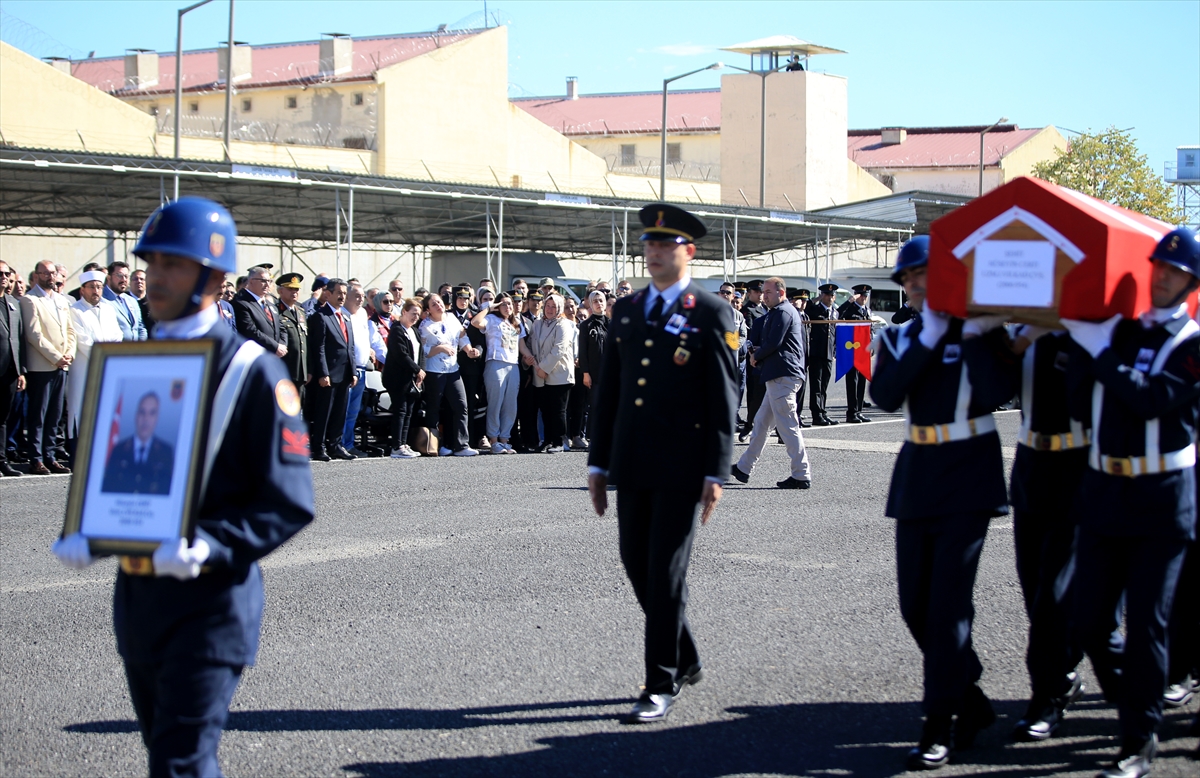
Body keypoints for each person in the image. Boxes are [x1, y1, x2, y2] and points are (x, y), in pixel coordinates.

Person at [51, 196, 314, 777]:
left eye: (173, 264)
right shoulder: (140, 360)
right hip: (140, 602)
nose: (154, 277)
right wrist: (92, 532)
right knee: (168, 756)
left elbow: (290, 501)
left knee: (180, 762)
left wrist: (208, 546)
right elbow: (131, 475)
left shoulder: (252, 370)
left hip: (210, 605)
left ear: (214, 277)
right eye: (152, 263)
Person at [587, 203, 738, 724]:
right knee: (636, 566)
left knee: (666, 574)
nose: (653, 253)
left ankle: (660, 680)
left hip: (683, 465)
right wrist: (597, 464)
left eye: (665, 245)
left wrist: (718, 471)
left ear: (688, 252)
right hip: (632, 462)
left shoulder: (712, 311)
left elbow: (724, 398)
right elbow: (610, 393)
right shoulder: (627, 310)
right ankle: (687, 655)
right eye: (649, 245)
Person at [870, 235, 1017, 770]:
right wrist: (931, 337)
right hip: (917, 475)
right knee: (916, 608)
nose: (916, 285)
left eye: (926, 275)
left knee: (949, 609)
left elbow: (998, 389)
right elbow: (884, 396)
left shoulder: (981, 331)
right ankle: (970, 700)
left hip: (969, 476)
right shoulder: (900, 337)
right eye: (908, 279)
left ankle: (938, 727)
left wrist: (970, 331)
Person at [1060, 226, 1200, 778]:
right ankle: (1136, 705)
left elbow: (1150, 401)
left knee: (1147, 625)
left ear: (1190, 283)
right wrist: (1078, 351)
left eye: (1174, 272)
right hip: (1105, 489)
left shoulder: (1191, 344)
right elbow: (1079, 397)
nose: (1161, 276)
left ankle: (1137, 739)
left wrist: (1100, 357)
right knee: (1090, 621)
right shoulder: (1120, 332)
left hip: (1162, 495)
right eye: (1157, 268)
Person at [1002, 317, 1092, 743]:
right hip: (1030, 466)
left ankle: (1047, 694)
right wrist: (1017, 344)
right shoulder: (1024, 333)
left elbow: (1086, 401)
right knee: (1033, 585)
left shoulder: (1090, 333)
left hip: (1076, 468)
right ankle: (1065, 668)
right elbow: (997, 390)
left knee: (1054, 593)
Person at [729, 277, 812, 489]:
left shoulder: (783, 312)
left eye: (768, 292)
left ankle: (801, 474)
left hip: (783, 375)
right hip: (777, 375)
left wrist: (756, 356)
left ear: (781, 293)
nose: (764, 295)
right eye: (763, 292)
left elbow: (774, 343)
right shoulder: (776, 312)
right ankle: (743, 467)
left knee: (788, 425)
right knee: (761, 423)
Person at [20, 260, 76, 475]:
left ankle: (50, 456)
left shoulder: (61, 300)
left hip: (62, 365)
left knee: (54, 415)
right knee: (39, 415)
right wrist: (56, 357)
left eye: (52, 273)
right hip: (42, 366)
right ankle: (36, 458)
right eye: (45, 273)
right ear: (36, 276)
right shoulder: (29, 300)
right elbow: (34, 335)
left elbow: (70, 331)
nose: (50, 277)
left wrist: (68, 353)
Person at [419, 292, 479, 456]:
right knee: (435, 408)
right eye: (433, 304)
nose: (438, 306)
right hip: (434, 372)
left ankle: (462, 445)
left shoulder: (452, 318)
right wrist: (440, 348)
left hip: (453, 370)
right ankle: (435, 445)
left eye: (439, 302)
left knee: (461, 405)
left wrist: (469, 350)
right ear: (428, 310)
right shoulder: (425, 326)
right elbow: (422, 351)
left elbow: (462, 337)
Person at [67, 269, 123, 445]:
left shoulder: (108, 309)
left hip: (107, 369)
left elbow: (117, 335)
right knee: (82, 412)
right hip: (84, 369)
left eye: (99, 287)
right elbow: (83, 341)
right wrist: (105, 355)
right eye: (92, 287)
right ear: (82, 290)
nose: (96, 291)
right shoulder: (74, 311)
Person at [306, 278, 358, 462]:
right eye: (339, 293)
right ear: (328, 293)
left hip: (344, 373)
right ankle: (318, 446)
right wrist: (323, 373)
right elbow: (318, 348)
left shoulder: (344, 316)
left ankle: (335, 445)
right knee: (324, 413)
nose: (342, 296)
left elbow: (349, 346)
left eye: (344, 293)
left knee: (340, 412)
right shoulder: (320, 316)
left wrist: (353, 371)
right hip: (329, 374)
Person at [471, 292, 525, 454]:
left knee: (510, 405)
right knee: (496, 403)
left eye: (510, 304)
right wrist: (490, 307)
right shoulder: (492, 320)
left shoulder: (516, 323)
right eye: (504, 304)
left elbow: (522, 346)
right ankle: (493, 439)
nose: (508, 307)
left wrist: (530, 358)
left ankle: (504, 439)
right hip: (495, 363)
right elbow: (475, 322)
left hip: (513, 365)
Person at [523, 292, 575, 453]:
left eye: (554, 306)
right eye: (548, 305)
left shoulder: (563, 324)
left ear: (559, 308)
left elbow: (559, 349)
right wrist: (531, 362)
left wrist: (543, 368)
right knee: (545, 409)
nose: (550, 309)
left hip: (559, 373)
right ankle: (547, 440)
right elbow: (531, 344)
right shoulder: (537, 323)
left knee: (558, 410)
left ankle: (559, 441)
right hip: (540, 373)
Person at [341, 284, 387, 457]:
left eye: (362, 296)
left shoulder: (361, 314)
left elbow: (366, 338)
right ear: (346, 297)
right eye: (356, 295)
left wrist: (369, 349)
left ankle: (348, 443)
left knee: (353, 412)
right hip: (347, 370)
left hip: (361, 368)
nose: (360, 299)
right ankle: (337, 444)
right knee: (342, 411)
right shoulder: (342, 314)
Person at [101, 391, 176, 495]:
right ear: (136, 415)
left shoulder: (165, 452)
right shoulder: (119, 450)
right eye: (142, 412)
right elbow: (107, 489)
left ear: (157, 418)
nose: (146, 419)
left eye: (152, 413)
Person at [382, 298, 425, 458]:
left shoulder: (415, 331)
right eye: (413, 313)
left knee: (409, 412)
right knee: (400, 410)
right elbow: (401, 354)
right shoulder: (397, 330)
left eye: (418, 314)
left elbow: (421, 354)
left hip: (412, 379)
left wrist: (421, 372)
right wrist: (417, 369)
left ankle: (404, 443)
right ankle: (396, 446)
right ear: (404, 312)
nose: (415, 317)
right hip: (398, 378)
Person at [452, 286, 488, 450]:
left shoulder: (474, 315)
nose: (463, 301)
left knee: (470, 404)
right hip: (450, 365)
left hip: (471, 366)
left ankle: (470, 439)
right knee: (453, 404)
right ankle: (451, 439)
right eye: (460, 298)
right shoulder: (448, 315)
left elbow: (481, 340)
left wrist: (478, 351)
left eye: (466, 298)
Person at [0, 259, 26, 477]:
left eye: (6, 274)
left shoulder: (12, 303)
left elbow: (18, 337)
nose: (4, 277)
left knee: (3, 418)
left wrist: (21, 371)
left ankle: (1, 461)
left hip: (9, 371)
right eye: (0, 273)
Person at [233, 266, 287, 359]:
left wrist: (282, 345)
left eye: (269, 281)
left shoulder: (271, 305)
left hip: (275, 357)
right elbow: (251, 331)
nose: (267, 285)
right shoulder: (242, 304)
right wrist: (275, 346)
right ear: (251, 281)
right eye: (263, 281)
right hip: (255, 358)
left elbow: (281, 327)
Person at [805, 283, 839, 426]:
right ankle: (816, 414)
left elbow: (835, 332)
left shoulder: (835, 312)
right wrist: (816, 299)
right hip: (816, 353)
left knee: (824, 385)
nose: (829, 298)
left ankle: (823, 411)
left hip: (828, 353)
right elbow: (805, 306)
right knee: (816, 386)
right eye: (826, 295)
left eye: (831, 295)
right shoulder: (815, 309)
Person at [838, 283, 873, 423]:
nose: (863, 298)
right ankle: (851, 412)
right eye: (861, 295)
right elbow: (837, 314)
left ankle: (858, 411)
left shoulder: (867, 311)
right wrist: (849, 301)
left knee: (861, 382)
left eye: (866, 296)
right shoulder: (849, 309)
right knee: (852, 381)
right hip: (852, 351)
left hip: (863, 351)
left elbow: (870, 330)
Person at [577, 290, 609, 441]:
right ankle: (593, 438)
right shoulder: (585, 325)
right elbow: (583, 351)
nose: (598, 304)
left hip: (609, 373)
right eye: (595, 301)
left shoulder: (611, 324)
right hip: (593, 373)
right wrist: (585, 373)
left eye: (601, 300)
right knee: (594, 406)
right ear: (590, 304)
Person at [275, 273, 310, 409]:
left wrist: (309, 369)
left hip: (300, 371)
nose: (294, 293)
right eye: (290, 289)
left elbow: (305, 342)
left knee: (297, 409)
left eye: (296, 289)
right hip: (285, 369)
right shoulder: (275, 311)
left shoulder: (301, 312)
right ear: (280, 291)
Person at [739, 280, 767, 440]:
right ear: (749, 293)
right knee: (755, 396)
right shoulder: (747, 310)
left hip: (767, 358)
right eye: (757, 292)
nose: (761, 294)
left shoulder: (765, 309)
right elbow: (749, 336)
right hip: (755, 358)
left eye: (762, 291)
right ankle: (749, 425)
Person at [104, 260, 148, 341]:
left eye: (126, 276)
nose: (124, 279)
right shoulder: (102, 300)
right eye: (119, 275)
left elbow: (141, 327)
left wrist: (141, 348)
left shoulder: (131, 300)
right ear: (109, 278)